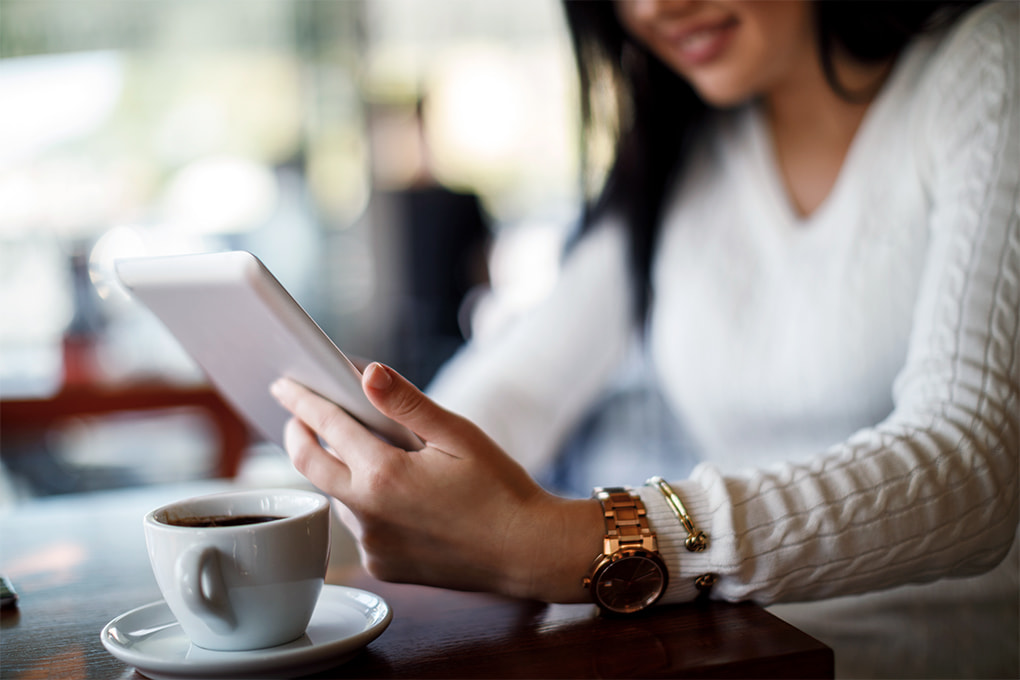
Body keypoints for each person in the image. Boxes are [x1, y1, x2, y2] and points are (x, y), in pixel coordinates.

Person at [271, 1, 1018, 676]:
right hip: (732, 649)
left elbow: (973, 465)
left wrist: (576, 543)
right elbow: (521, 384)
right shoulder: (688, 148)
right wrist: (350, 478)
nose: (659, 6)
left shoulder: (989, 64)